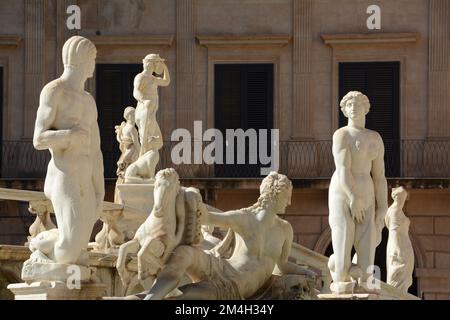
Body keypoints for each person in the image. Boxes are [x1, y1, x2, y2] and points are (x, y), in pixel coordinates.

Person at [142, 172, 316, 300]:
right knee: (183, 254)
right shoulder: (244, 218)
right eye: (287, 198)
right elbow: (207, 217)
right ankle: (151, 297)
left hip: (234, 286)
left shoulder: (285, 229)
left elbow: (281, 265)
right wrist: (191, 195)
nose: (290, 203)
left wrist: (306, 272)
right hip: (219, 266)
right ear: (273, 195)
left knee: (187, 296)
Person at [32, 36, 104, 265]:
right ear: (81, 60)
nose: (94, 63)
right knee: (71, 248)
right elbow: (39, 139)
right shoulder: (54, 91)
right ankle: (38, 245)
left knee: (78, 248)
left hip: (86, 179)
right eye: (92, 58)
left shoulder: (88, 100)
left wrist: (100, 189)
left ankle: (53, 249)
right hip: (65, 175)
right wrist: (69, 136)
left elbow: (96, 149)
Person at [328, 91, 388, 293]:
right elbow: (343, 168)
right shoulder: (342, 134)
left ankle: (365, 282)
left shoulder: (375, 138)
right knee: (343, 237)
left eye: (358, 104)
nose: (354, 107)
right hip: (343, 190)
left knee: (368, 242)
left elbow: (380, 177)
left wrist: (383, 208)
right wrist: (353, 197)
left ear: (366, 108)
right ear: (344, 110)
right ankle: (340, 277)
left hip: (367, 188)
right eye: (350, 104)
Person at [133, 54, 170, 156]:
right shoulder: (141, 77)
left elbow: (166, 81)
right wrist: (144, 101)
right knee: (145, 138)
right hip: (144, 110)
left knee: (157, 141)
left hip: (151, 112)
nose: (158, 65)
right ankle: (143, 158)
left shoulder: (153, 78)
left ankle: (147, 159)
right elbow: (136, 92)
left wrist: (165, 68)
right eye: (157, 62)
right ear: (151, 64)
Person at [385, 187, 414, 293]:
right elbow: (394, 233)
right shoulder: (394, 211)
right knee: (398, 270)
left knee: (405, 274)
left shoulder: (398, 211)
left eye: (404, 198)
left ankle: (401, 293)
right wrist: (397, 250)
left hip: (405, 245)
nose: (403, 201)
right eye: (402, 197)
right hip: (398, 245)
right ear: (397, 197)